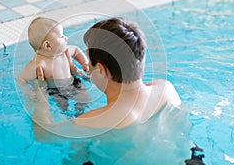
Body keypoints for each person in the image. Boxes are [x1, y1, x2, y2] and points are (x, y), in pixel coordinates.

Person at [33, 17, 195, 164]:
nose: (88, 67)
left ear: (102, 70)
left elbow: (43, 134)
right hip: (187, 160)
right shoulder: (166, 89)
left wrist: (40, 91)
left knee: (80, 151)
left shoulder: (93, 121)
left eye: (90, 62)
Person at [18, 17, 90, 117]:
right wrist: (27, 91)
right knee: (63, 105)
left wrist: (85, 63)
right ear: (48, 45)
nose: (66, 38)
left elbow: (77, 50)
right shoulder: (39, 63)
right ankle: (68, 116)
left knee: (84, 98)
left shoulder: (65, 51)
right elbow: (21, 79)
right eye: (61, 36)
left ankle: (80, 113)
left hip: (73, 83)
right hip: (56, 91)